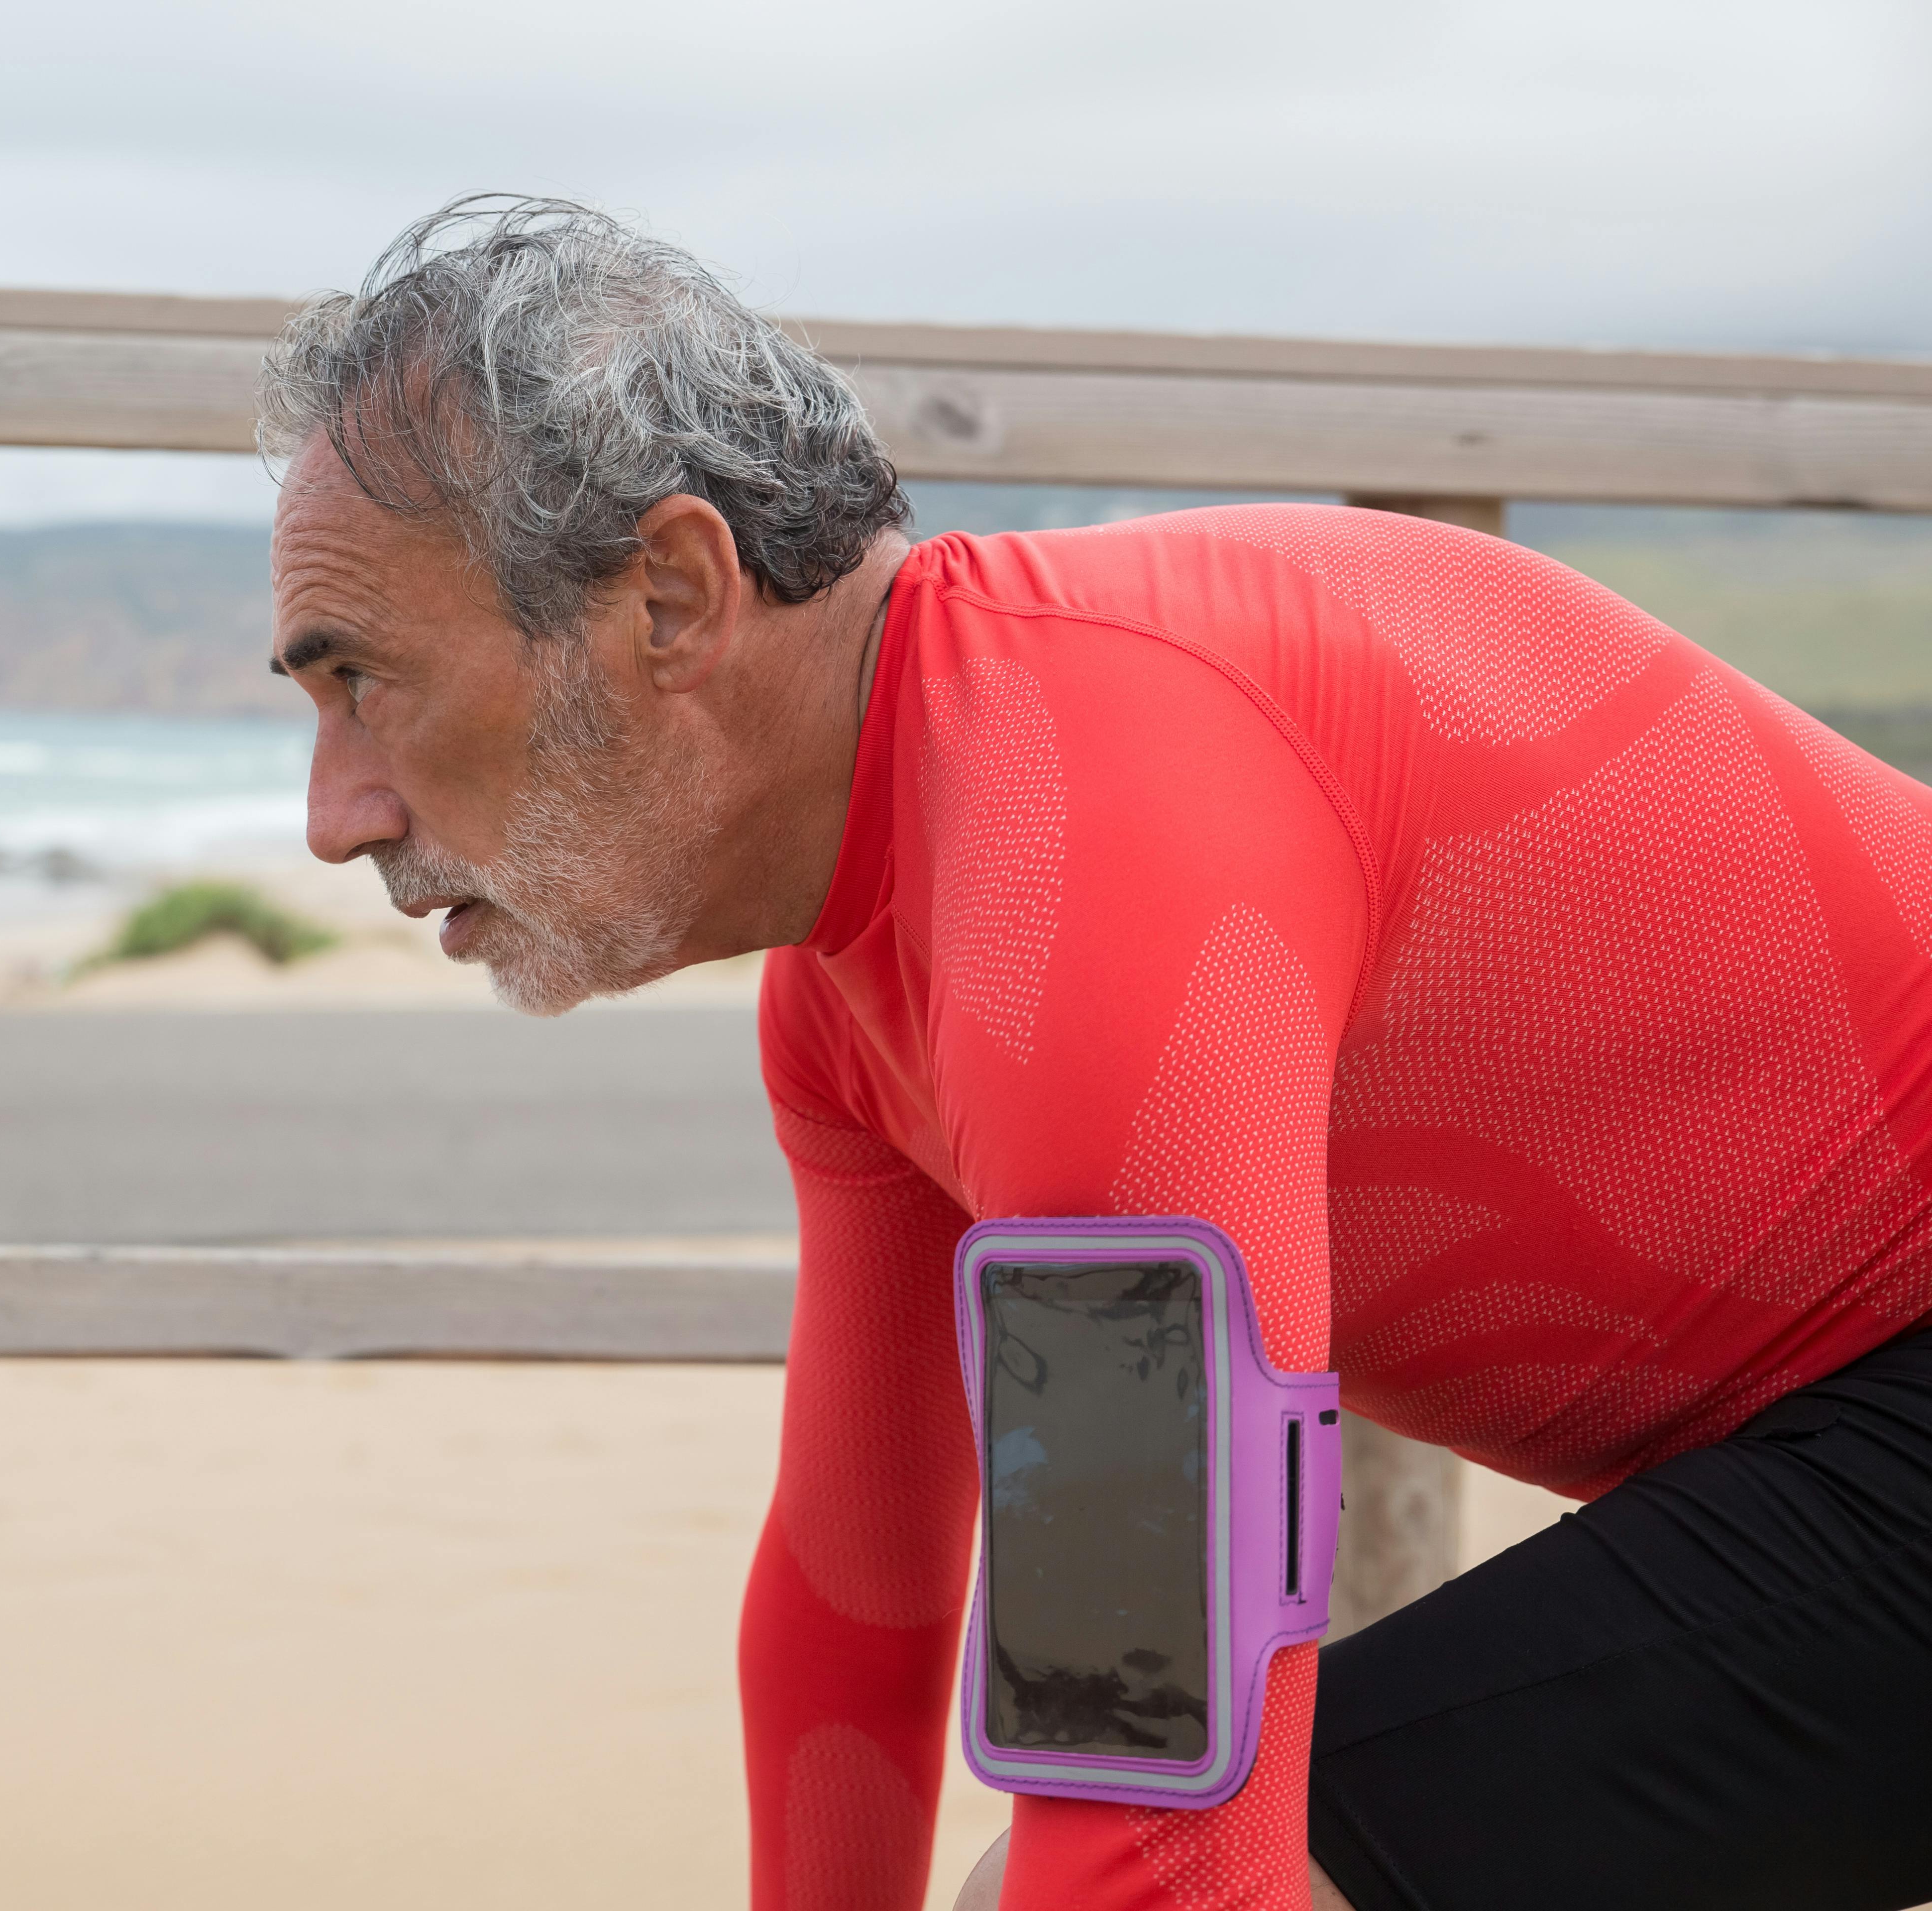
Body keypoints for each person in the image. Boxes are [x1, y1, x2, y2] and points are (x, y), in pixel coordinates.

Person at [256, 196, 1932, 1911]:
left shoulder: (1090, 864)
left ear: (674, 596)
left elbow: (1161, 1826)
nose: (334, 820)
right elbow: (865, 1598)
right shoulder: (860, 981)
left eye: (365, 682)